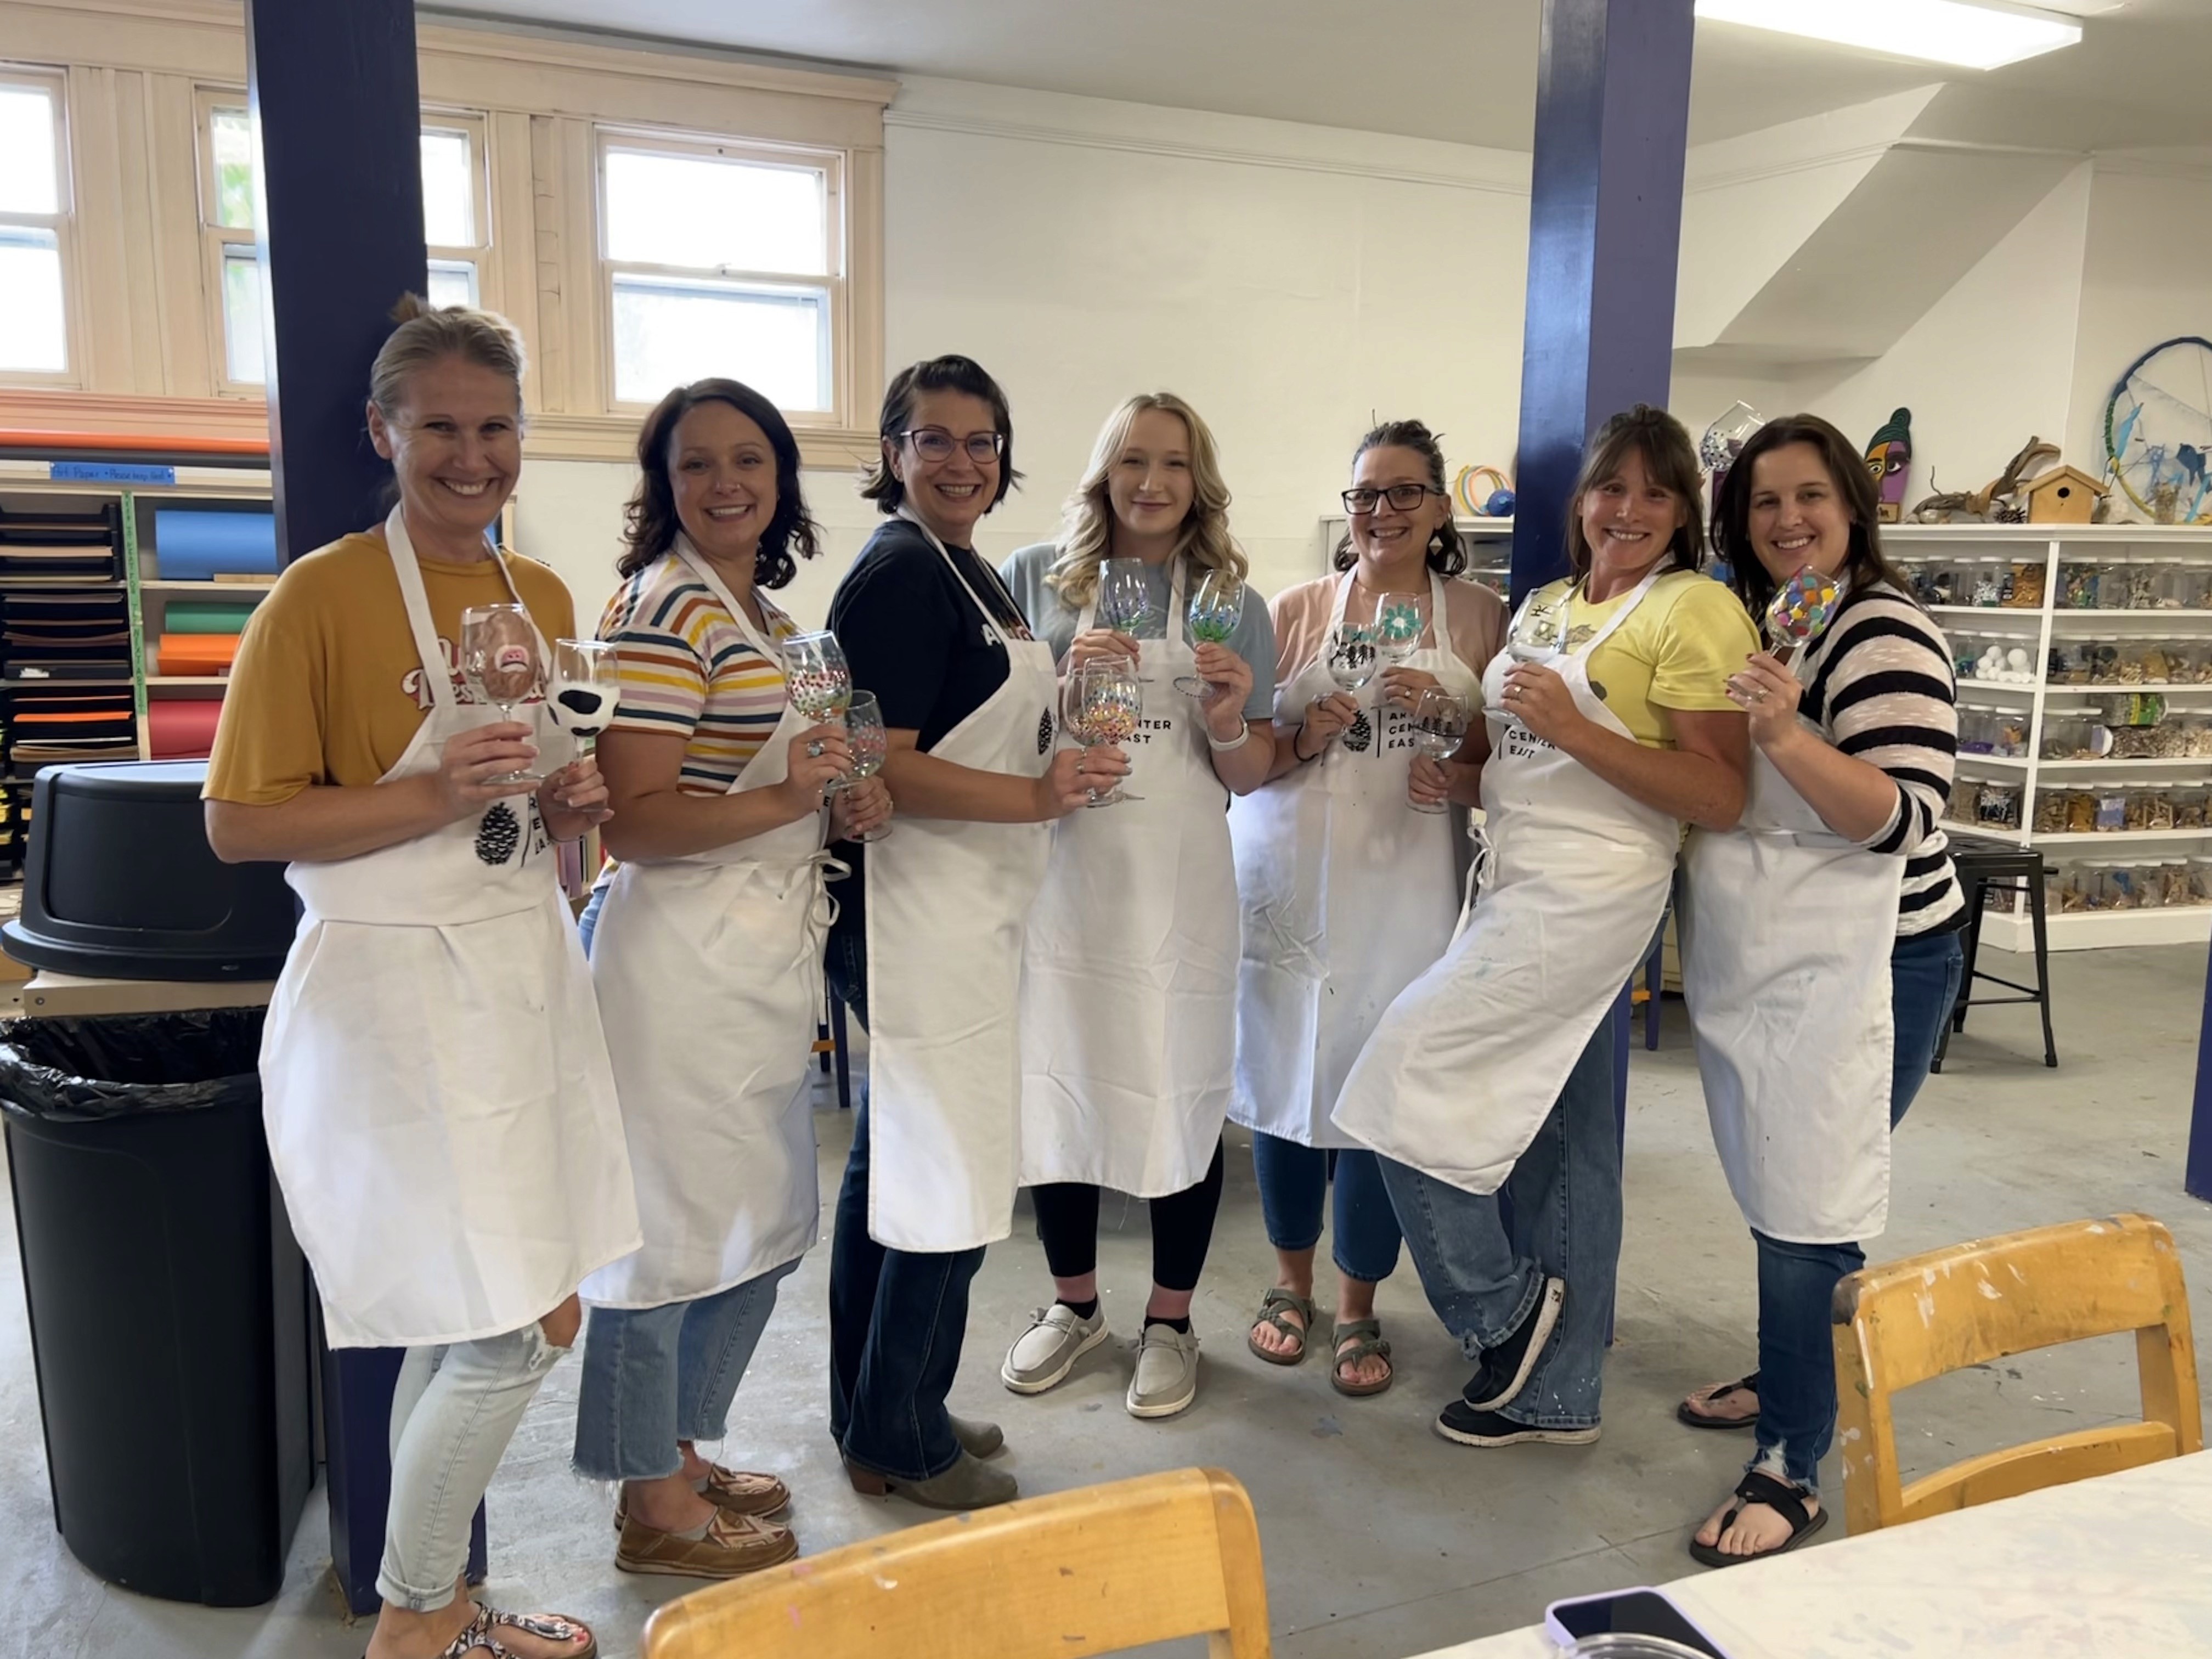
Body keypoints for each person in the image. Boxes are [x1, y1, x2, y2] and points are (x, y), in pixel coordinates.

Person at [205, 297, 636, 1659]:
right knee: (520, 1326)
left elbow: (541, 814)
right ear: (382, 432)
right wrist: (437, 792)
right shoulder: (319, 599)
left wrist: (565, 808)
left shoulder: (541, 597)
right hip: (392, 1001)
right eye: (439, 427)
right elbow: (240, 825)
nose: (471, 456)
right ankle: (415, 1621)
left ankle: (431, 1596)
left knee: (463, 1322)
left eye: (495, 427)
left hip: (516, 983)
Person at [1335, 405, 1755, 1448]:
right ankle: (1558, 1393)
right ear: (1582, 501)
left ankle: (1504, 1313)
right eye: (1612, 487)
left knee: (1396, 1074)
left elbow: (1719, 793)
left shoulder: (1694, 609)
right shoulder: (1548, 606)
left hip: (1594, 892)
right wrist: (1461, 773)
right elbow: (1519, 758)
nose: (1629, 510)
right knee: (1565, 1142)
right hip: (1513, 878)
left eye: (1656, 493)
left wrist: (1570, 727)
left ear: (1683, 512)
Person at [571, 380, 891, 1578]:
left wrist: (838, 804)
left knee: (756, 1221)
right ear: (664, 485)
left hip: (757, 953)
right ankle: (648, 1501)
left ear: (781, 479)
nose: (725, 483)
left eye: (748, 459)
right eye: (696, 463)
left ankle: (679, 1448)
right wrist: (790, 797)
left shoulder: (769, 618)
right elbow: (637, 824)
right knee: (665, 1239)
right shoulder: (664, 610)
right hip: (679, 961)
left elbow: (793, 778)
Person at [823, 355, 1125, 1509]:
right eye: (934, 439)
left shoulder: (969, 567)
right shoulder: (901, 573)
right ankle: (903, 1438)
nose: (962, 461)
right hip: (916, 911)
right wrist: (1040, 796)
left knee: (894, 1174)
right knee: (946, 1180)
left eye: (981, 441)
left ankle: (879, 1409)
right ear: (892, 453)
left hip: (967, 904)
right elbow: (887, 765)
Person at [1676, 413, 1965, 1565]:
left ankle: (1795, 1461)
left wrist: (1786, 736)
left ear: (1853, 506)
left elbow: (1904, 818)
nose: (1788, 519)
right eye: (1764, 502)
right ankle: (1790, 1365)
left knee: (1811, 1205)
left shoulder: (1883, 628)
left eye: (1810, 497)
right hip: (1778, 956)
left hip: (1873, 963)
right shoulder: (1770, 619)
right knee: (1777, 1183)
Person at [994, 393, 1276, 1419]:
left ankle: (1170, 1321)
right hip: (1066, 877)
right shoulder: (1035, 577)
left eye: (1174, 464)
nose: (1152, 483)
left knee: (1179, 1090)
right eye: (1132, 461)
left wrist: (1232, 715)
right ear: (1103, 473)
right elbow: (998, 735)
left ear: (1200, 482)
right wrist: (1057, 690)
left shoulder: (1234, 602)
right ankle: (1075, 1305)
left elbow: (1250, 773)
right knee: (1059, 1082)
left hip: (1178, 888)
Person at [1231, 419, 1502, 1397]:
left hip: (1410, 883)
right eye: (1365, 495)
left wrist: (1452, 735)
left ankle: (1357, 1302)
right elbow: (1248, 753)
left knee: (1378, 1089)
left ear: (1439, 506)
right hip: (1292, 873)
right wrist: (1308, 729)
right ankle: (1289, 1283)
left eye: (1403, 492)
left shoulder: (1481, 615)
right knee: (1283, 1081)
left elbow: (1512, 758)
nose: (1381, 512)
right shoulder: (1297, 608)